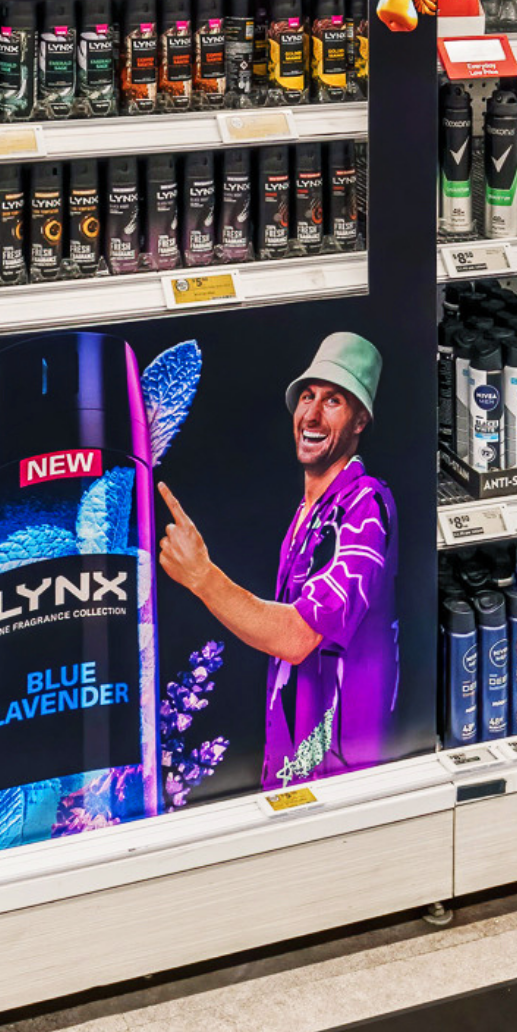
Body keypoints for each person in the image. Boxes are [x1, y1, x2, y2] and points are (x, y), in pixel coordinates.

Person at [158, 332, 398, 790]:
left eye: (333, 401)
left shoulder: (364, 505)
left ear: (360, 420)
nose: (311, 414)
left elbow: (298, 638)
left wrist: (202, 576)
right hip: (297, 769)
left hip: (343, 774)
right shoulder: (308, 512)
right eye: (308, 396)